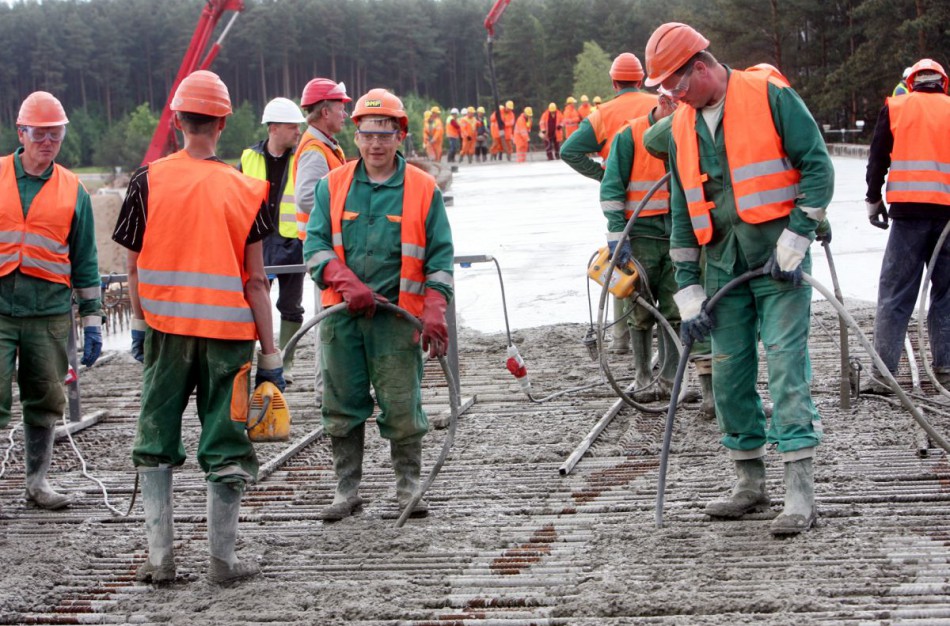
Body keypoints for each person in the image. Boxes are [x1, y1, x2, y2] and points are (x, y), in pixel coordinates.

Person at [644, 22, 834, 536]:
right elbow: (683, 210)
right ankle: (750, 482)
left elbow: (817, 167)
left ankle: (800, 491)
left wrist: (797, 238)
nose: (675, 98)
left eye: (678, 86)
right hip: (723, 267)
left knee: (787, 369)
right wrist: (688, 287)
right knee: (728, 375)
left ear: (700, 68)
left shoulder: (768, 95)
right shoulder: (681, 126)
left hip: (779, 263)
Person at [113, 70, 284, 584]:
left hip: (166, 332)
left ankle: (160, 560)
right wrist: (270, 357)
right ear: (222, 123)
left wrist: (139, 324)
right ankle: (222, 563)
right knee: (226, 441)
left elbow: (133, 267)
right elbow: (257, 282)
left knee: (155, 435)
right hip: (229, 339)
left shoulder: (146, 180)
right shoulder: (246, 189)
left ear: (177, 122)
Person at [302, 88, 454, 522]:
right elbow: (314, 246)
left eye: (384, 134)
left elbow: (440, 258)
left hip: (396, 321)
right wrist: (346, 282)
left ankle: (408, 487)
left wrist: (435, 309)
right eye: (368, 134)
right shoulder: (333, 186)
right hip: (342, 318)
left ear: (400, 136)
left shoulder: (423, 190)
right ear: (356, 137)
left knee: (402, 405)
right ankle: (346, 489)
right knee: (341, 406)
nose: (375, 144)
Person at [0, 91, 102, 512]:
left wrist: (93, 319)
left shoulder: (73, 189)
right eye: (39, 134)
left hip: (49, 313)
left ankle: (37, 482)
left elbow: (85, 259)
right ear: (21, 133)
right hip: (1, 310)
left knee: (45, 399)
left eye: (55, 135)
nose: (47, 142)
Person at [562, 52, 658, 356]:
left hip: (622, 204)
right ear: (641, 80)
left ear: (614, 83)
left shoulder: (602, 114)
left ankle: (620, 338)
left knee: (623, 265)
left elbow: (569, 151)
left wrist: (603, 175)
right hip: (665, 202)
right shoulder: (659, 105)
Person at [865, 58, 950, 391]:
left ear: (911, 82)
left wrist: (874, 200)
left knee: (895, 295)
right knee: (946, 293)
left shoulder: (896, 107)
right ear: (942, 82)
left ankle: (883, 375)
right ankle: (946, 367)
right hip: (947, 218)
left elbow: (877, 159)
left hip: (907, 216)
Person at [238, 98, 306, 382]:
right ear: (274, 128)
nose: (298, 132)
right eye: (293, 127)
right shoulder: (248, 158)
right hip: (258, 242)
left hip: (293, 242)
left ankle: (285, 364)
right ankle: (251, 360)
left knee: (291, 307)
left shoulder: (302, 158)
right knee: (251, 301)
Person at [294, 77, 351, 241]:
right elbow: (307, 198)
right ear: (325, 112)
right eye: (341, 109)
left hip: (323, 238)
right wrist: (345, 211)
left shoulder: (324, 145)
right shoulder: (314, 150)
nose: (345, 115)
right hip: (320, 240)